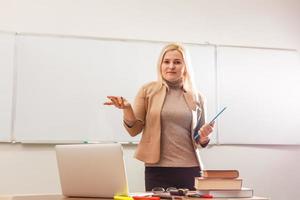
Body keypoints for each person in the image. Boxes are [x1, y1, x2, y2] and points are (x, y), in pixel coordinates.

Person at [104, 43, 214, 191]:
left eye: (177, 62)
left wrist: (204, 137)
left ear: (185, 66)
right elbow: (134, 130)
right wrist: (127, 108)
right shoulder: (148, 90)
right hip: (157, 169)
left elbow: (199, 139)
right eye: (166, 61)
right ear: (160, 64)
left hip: (190, 169)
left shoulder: (197, 97)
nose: (171, 66)